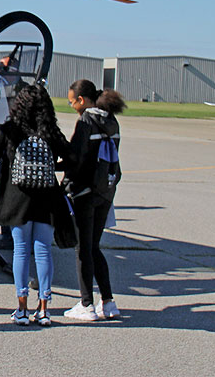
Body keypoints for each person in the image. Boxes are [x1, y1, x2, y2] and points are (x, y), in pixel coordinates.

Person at [0, 84, 68, 326]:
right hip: (47, 198)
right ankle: (44, 308)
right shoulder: (50, 131)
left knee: (20, 250)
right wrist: (53, 167)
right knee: (43, 251)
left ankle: (21, 307)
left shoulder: (11, 129)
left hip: (17, 197)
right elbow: (72, 156)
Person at [63, 79, 127, 321]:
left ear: (82, 100)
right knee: (95, 247)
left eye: (72, 101)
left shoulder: (86, 121)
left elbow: (76, 157)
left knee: (83, 250)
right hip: (105, 192)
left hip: (84, 193)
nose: (72, 106)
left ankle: (86, 303)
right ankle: (108, 302)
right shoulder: (111, 120)